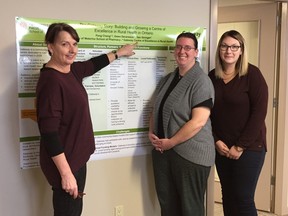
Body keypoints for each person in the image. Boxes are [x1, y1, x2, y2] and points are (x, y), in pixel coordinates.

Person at [36, 22, 136, 216]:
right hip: (66, 165)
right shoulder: (51, 82)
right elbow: (49, 132)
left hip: (76, 159)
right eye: (65, 44)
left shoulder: (71, 71)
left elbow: (93, 64)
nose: (72, 49)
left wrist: (119, 53)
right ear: (50, 46)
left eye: (74, 44)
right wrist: (66, 175)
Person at [148, 32, 215, 216]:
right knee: (168, 207)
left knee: (190, 209)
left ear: (196, 52)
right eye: (178, 47)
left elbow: (198, 121)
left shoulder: (201, 81)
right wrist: (151, 133)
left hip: (191, 155)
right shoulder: (169, 78)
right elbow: (156, 108)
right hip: (164, 153)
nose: (182, 51)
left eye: (187, 47)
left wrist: (171, 142)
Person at [208, 30, 268, 216]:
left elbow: (259, 114)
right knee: (229, 197)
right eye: (225, 46)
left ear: (241, 50)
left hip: (250, 148)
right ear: (219, 49)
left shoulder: (253, 75)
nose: (229, 51)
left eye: (235, 46)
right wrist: (216, 141)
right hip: (222, 148)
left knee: (243, 199)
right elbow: (206, 114)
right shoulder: (212, 77)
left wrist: (240, 146)